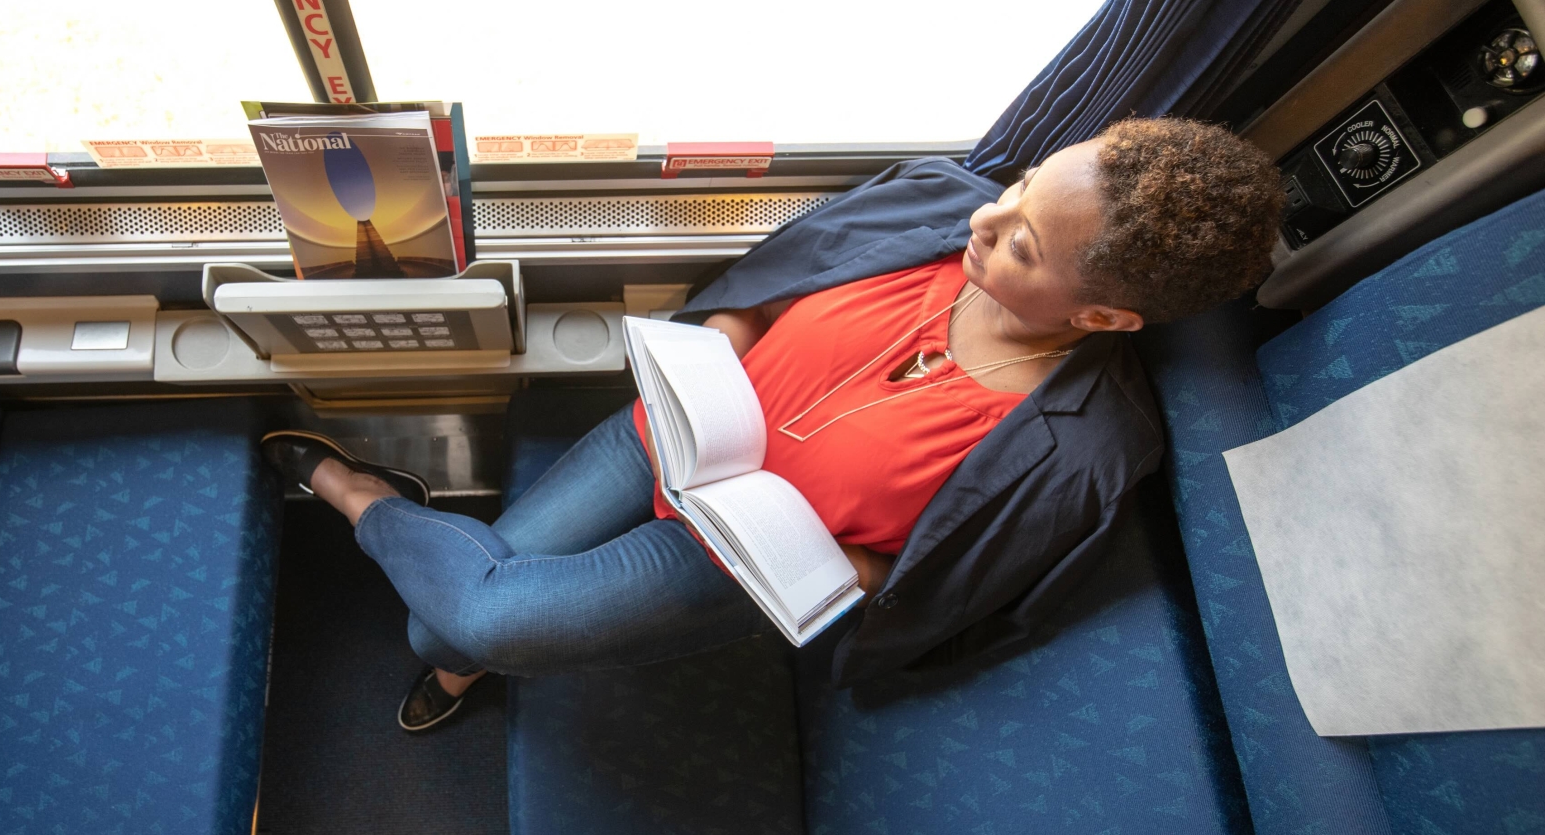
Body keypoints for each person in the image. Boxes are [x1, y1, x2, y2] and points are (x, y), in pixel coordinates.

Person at [263, 117, 1286, 732]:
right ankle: (431, 600)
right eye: (1018, 189)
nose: (984, 217)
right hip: (665, 434)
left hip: (731, 558)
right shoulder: (930, 201)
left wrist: (830, 564)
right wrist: (718, 346)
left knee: (460, 619)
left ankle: (364, 495)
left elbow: (943, 583)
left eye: (1022, 242)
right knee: (451, 621)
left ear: (1101, 316)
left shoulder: (1092, 452)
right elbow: (756, 290)